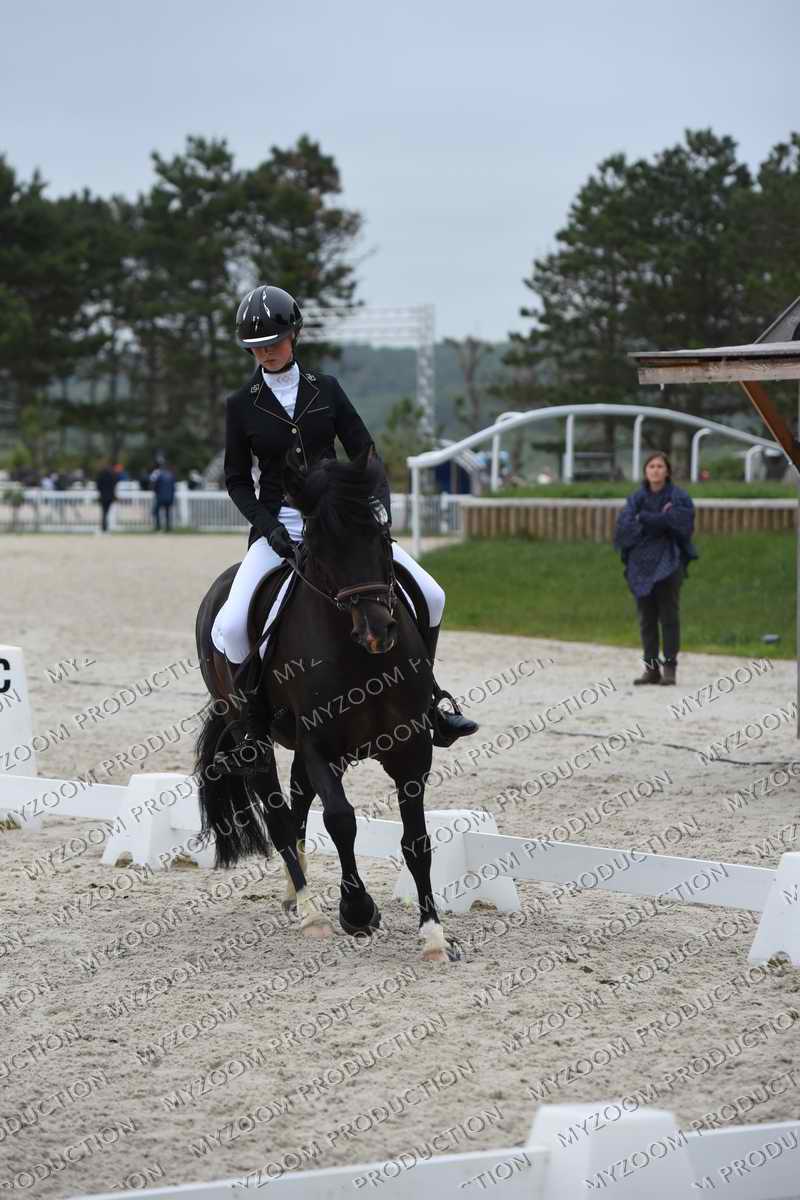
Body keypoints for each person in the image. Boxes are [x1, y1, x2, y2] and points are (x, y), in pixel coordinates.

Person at [210, 283, 478, 759]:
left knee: (433, 595)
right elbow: (235, 480)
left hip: (342, 527)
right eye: (257, 347)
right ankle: (251, 721)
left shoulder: (326, 389)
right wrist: (269, 528)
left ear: (294, 336)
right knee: (231, 626)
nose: (266, 353)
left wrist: (376, 515)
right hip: (280, 530)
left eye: (274, 342)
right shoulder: (241, 404)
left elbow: (365, 453)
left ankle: (428, 698)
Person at [613, 451, 698, 686]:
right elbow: (625, 526)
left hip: (669, 561)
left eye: (660, 466)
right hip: (640, 565)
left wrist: (646, 518)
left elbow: (681, 524)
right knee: (646, 619)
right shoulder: (636, 498)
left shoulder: (679, 497)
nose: (655, 470)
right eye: (651, 466)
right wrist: (661, 518)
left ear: (667, 471)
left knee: (669, 616)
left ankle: (670, 668)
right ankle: (651, 669)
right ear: (645, 471)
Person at [151, 459, 176, 531]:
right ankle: (168, 527)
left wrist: (156, 493)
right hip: (169, 497)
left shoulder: (159, 475)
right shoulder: (171, 475)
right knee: (167, 512)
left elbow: (155, 486)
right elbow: (173, 488)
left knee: (155, 511)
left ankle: (158, 526)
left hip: (160, 497)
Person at [95, 463, 118, 532]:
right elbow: (115, 485)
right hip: (110, 496)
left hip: (103, 496)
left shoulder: (101, 475)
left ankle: (104, 527)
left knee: (104, 512)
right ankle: (105, 526)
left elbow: (98, 486)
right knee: (107, 512)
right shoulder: (113, 475)